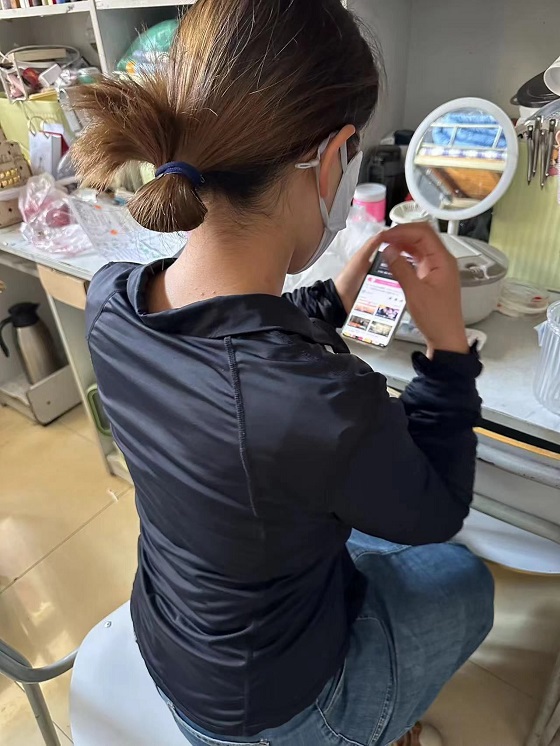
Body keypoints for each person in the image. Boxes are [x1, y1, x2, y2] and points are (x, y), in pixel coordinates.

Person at [72, 1, 494, 744]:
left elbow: (227, 334)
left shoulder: (112, 299)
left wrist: (332, 298)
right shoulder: (322, 402)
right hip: (269, 712)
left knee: (359, 538)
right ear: (333, 159)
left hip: (174, 638)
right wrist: (450, 350)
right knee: (462, 579)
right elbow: (436, 509)